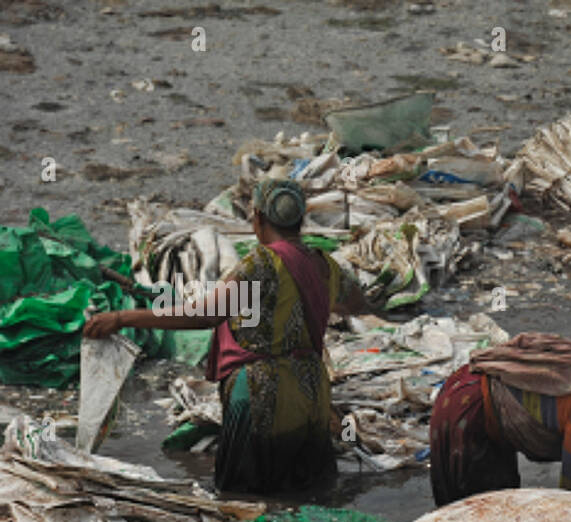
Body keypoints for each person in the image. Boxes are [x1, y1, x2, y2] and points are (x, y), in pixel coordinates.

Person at [84, 179, 370, 494]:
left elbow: (206, 315)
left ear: (258, 218)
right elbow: (355, 302)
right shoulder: (322, 264)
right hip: (312, 392)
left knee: (243, 500)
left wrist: (122, 318)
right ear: (300, 219)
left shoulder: (261, 265)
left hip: (262, 393)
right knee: (309, 495)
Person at [428, 325, 571, 506]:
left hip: (474, 389)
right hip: (468, 410)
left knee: (503, 503)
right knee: (477, 515)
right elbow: (569, 496)